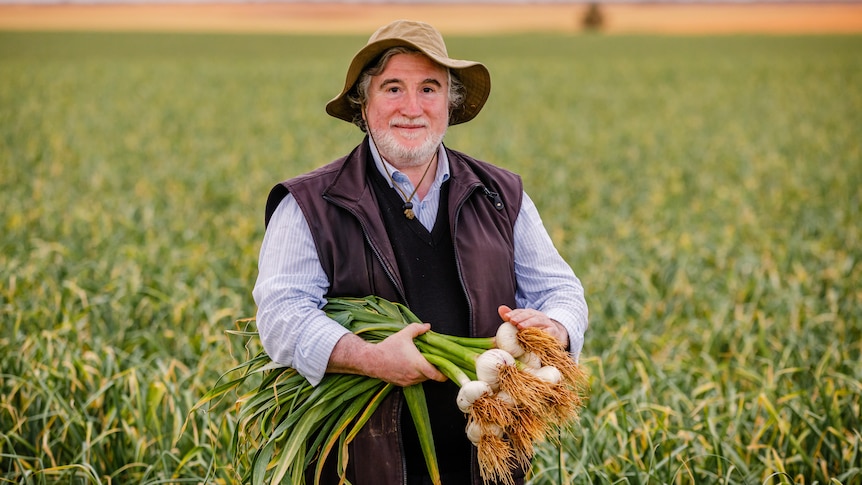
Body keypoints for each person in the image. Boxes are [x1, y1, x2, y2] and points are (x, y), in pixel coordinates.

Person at [253, 19, 588, 485]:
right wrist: (370, 359)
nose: (412, 108)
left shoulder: (500, 194)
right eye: (393, 88)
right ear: (363, 105)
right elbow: (282, 316)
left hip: (487, 460)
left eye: (429, 89)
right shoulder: (309, 204)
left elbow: (561, 290)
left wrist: (555, 327)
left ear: (448, 105)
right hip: (358, 472)